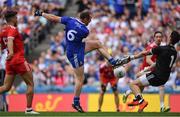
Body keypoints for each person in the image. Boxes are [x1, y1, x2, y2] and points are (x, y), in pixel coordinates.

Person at [34, 9, 122, 112]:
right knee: (80, 78)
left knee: (98, 43)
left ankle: (112, 61)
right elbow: (79, 35)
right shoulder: (85, 31)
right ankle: (75, 102)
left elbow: (53, 18)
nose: (90, 21)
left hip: (77, 47)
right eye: (89, 19)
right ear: (84, 19)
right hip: (75, 53)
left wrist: (42, 13)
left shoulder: (70, 20)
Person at [120, 30, 179, 112]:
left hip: (156, 75)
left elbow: (144, 54)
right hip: (164, 78)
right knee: (139, 89)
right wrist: (148, 69)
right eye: (157, 37)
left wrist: (131, 57)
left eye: (160, 37)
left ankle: (140, 100)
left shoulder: (161, 48)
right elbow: (159, 63)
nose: (159, 38)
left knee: (132, 84)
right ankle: (138, 101)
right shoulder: (175, 53)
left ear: (170, 38)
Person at [0, 9, 39, 114]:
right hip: (18, 60)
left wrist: (9, 53)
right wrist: (12, 52)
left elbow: (2, 46)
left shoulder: (3, 31)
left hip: (9, 62)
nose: (17, 19)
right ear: (12, 18)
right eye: (16, 17)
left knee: (6, 87)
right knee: (30, 84)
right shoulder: (13, 29)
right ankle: (29, 109)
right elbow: (10, 39)